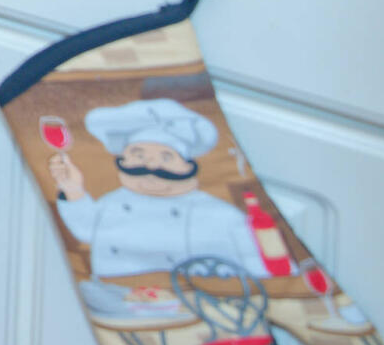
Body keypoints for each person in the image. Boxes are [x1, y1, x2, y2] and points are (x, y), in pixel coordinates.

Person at [48, 97, 267, 280]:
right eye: (139, 155)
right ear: (122, 160)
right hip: (117, 301)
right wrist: (73, 189)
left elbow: (261, 267)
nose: (151, 166)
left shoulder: (220, 215)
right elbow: (86, 230)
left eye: (166, 157)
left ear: (187, 166)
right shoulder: (114, 202)